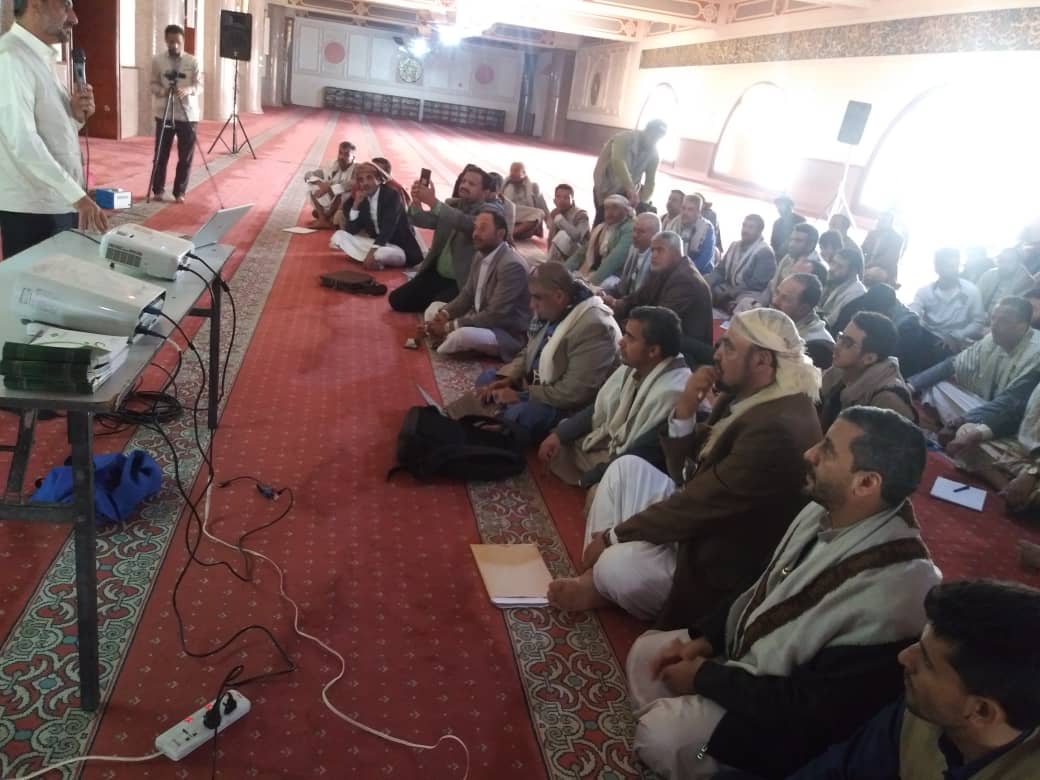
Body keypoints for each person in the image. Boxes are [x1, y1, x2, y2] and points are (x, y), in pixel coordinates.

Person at [628, 407, 940, 779]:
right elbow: (761, 588)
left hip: (787, 730)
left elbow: (810, 709)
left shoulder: (896, 595)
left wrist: (705, 679)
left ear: (866, 483)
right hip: (750, 669)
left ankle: (699, 754)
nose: (809, 453)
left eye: (827, 450)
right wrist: (707, 640)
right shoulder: (825, 511)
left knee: (663, 737)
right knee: (646, 655)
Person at [547, 308, 822, 630]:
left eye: (729, 347)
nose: (716, 353)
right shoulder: (753, 395)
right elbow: (684, 471)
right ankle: (597, 582)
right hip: (703, 523)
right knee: (625, 468)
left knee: (617, 565)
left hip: (716, 563)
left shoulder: (776, 428)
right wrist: (687, 407)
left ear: (762, 360)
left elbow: (699, 502)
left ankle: (602, 579)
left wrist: (612, 537)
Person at [789, 579, 1040, 780]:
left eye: (927, 662)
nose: (904, 657)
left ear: (981, 710)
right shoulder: (924, 711)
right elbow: (839, 770)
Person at [446, 263, 620, 443]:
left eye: (536, 297)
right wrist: (509, 378)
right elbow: (529, 351)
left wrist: (521, 395)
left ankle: (504, 421)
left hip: (566, 404)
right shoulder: (554, 307)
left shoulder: (594, 327)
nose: (531, 305)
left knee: (524, 414)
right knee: (489, 379)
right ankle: (502, 419)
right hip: (537, 384)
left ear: (559, 296)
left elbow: (574, 393)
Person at [0, 0, 108, 259]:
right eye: (65, 6)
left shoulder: (37, 57)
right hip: (33, 209)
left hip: (56, 200)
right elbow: (23, 141)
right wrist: (77, 196)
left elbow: (52, 131)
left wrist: (75, 116)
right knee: (35, 282)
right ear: (36, 4)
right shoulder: (11, 58)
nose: (74, 18)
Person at [539, 306, 690, 487]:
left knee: (609, 484)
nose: (621, 342)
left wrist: (588, 480)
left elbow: (640, 454)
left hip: (638, 464)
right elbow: (599, 407)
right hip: (615, 446)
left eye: (630, 338)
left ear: (653, 351)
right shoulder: (635, 366)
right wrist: (559, 435)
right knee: (560, 439)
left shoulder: (672, 394)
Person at [909, 297, 1040, 428]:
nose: (994, 325)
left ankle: (956, 426)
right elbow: (954, 364)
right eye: (993, 318)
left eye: (1003, 321)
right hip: (984, 404)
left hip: (1009, 417)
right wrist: (910, 386)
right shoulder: (992, 338)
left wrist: (964, 420)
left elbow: (1012, 402)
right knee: (936, 385)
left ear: (1022, 327)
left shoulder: (1035, 354)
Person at [421, 209, 530, 361]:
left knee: (461, 336)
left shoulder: (511, 265)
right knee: (434, 309)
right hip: (479, 317)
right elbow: (467, 294)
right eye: (475, 228)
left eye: (483, 228)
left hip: (503, 330)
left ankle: (448, 339)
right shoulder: (479, 255)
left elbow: (495, 315)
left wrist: (449, 326)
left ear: (500, 234)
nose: (475, 234)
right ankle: (451, 340)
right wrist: (445, 315)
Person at [388, 166, 495, 313]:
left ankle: (456, 306)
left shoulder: (489, 213)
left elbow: (466, 223)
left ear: (485, 192)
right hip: (436, 274)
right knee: (397, 300)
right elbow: (424, 221)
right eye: (463, 181)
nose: (464, 185)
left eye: (471, 184)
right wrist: (417, 202)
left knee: (435, 312)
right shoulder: (451, 204)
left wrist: (433, 202)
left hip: (460, 281)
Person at [604, 231, 713, 360]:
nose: (654, 255)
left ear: (676, 252)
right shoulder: (664, 269)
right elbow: (638, 297)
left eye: (660, 250)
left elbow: (660, 321)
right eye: (652, 250)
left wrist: (624, 322)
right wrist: (615, 304)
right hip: (664, 333)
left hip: (687, 347)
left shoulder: (685, 279)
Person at [943, 371, 1040, 512]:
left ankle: (1021, 492)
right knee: (966, 432)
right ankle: (1009, 489)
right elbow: (1017, 413)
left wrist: (1032, 473)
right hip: (1021, 452)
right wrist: (974, 435)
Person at [819, 312, 916, 430]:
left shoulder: (887, 401)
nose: (836, 346)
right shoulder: (842, 369)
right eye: (840, 337)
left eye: (847, 343)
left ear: (869, 358)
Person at [329, 160, 422, 269]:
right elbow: (351, 230)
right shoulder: (363, 199)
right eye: (361, 180)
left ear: (378, 179)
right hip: (378, 244)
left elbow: (388, 227)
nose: (365, 183)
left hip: (399, 247)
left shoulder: (391, 195)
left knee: (379, 254)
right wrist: (355, 205)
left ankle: (372, 258)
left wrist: (372, 252)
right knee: (338, 236)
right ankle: (374, 260)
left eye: (369, 178)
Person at [908, 248, 987, 368]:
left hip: (956, 340)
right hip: (929, 335)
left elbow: (978, 322)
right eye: (947, 266)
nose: (952, 270)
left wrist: (957, 335)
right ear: (936, 268)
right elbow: (913, 312)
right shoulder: (925, 291)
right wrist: (914, 321)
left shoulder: (971, 291)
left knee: (938, 354)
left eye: (955, 266)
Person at [148, 24, 200, 205]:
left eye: (177, 42)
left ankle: (180, 192)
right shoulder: (158, 61)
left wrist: (188, 90)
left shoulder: (193, 61)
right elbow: (153, 84)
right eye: (171, 42)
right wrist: (163, 91)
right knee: (161, 154)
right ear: (166, 41)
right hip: (164, 112)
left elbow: (199, 85)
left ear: (183, 41)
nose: (174, 45)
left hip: (187, 114)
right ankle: (158, 189)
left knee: (185, 156)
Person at [592, 119, 667, 225]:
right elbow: (618, 162)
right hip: (605, 187)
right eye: (653, 136)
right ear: (646, 130)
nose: (654, 141)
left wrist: (642, 203)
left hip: (627, 195)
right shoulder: (623, 139)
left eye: (658, 138)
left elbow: (650, 182)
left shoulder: (654, 154)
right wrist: (630, 188)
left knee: (622, 225)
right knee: (602, 221)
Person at [707, 214, 776, 314]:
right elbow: (720, 271)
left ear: (759, 231)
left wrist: (730, 293)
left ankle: (728, 305)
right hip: (729, 287)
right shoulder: (734, 245)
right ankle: (726, 304)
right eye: (744, 225)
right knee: (705, 289)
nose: (745, 230)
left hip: (750, 292)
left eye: (751, 227)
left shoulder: (765, 251)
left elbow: (756, 284)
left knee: (745, 304)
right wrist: (707, 281)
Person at [566, 194, 634, 286]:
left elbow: (614, 260)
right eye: (607, 208)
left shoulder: (629, 228)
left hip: (614, 277)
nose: (609, 212)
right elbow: (581, 253)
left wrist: (590, 282)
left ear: (626, 211)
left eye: (615, 208)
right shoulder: (601, 228)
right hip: (593, 272)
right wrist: (563, 270)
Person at [773, 273, 835, 369]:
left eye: (785, 298)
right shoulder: (780, 319)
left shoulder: (816, 348)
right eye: (777, 293)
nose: (775, 301)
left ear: (803, 309)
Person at [761, 223, 820, 307]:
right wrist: (759, 304)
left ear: (811, 245)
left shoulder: (815, 268)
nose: (791, 244)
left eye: (798, 241)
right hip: (773, 304)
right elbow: (772, 285)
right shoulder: (788, 257)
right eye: (791, 239)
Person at [605, 212, 660, 299]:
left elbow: (646, 297)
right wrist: (604, 293)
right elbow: (622, 287)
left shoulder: (657, 260)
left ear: (655, 235)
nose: (634, 235)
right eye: (634, 230)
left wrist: (618, 303)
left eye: (641, 232)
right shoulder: (633, 249)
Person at [304, 141, 357, 229]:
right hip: (330, 200)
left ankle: (327, 216)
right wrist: (320, 183)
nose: (341, 157)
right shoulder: (332, 164)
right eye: (340, 153)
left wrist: (330, 189)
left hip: (345, 205)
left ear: (353, 157)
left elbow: (352, 184)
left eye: (346, 155)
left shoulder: (357, 168)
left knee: (344, 193)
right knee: (312, 186)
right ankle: (323, 219)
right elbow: (308, 174)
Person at [664, 193, 716, 274]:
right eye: (683, 208)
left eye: (690, 209)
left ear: (698, 212)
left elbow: (705, 258)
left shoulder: (707, 228)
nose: (685, 212)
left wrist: (684, 271)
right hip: (674, 269)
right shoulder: (673, 224)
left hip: (699, 272)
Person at [819, 246, 868, 330]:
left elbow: (835, 326)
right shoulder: (832, 280)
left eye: (840, 266)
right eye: (833, 263)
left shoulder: (857, 295)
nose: (832, 269)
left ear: (853, 271)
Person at [977, 248, 1034, 314]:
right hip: (980, 314)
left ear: (1018, 262)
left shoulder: (1025, 280)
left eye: (1009, 261)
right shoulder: (989, 274)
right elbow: (976, 296)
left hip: (1005, 317)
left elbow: (1016, 309)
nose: (1004, 265)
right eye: (1001, 261)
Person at [502, 162, 549, 240]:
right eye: (511, 171)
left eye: (516, 171)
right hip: (508, 216)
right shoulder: (506, 184)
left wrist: (551, 228)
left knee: (540, 213)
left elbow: (544, 208)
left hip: (525, 220)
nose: (512, 173)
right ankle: (508, 233)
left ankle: (509, 234)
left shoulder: (533, 187)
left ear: (524, 173)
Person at [546, 184, 590, 264]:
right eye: (558, 197)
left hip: (579, 256)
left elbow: (578, 236)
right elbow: (550, 239)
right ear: (554, 200)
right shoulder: (555, 213)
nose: (562, 200)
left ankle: (548, 266)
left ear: (572, 200)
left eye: (566, 198)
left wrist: (560, 219)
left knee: (562, 235)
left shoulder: (581, 215)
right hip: (560, 255)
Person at [862, 210, 905, 286]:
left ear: (890, 223)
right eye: (879, 220)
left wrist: (866, 266)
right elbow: (862, 249)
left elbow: (887, 260)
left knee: (875, 273)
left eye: (883, 221)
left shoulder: (897, 238)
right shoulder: (872, 233)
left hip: (883, 268)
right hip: (867, 264)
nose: (879, 222)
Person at [770, 195, 805, 260]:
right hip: (778, 258)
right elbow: (773, 242)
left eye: (782, 205)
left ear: (790, 206)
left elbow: (803, 241)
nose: (779, 208)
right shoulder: (777, 223)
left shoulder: (800, 221)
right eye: (778, 205)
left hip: (795, 258)